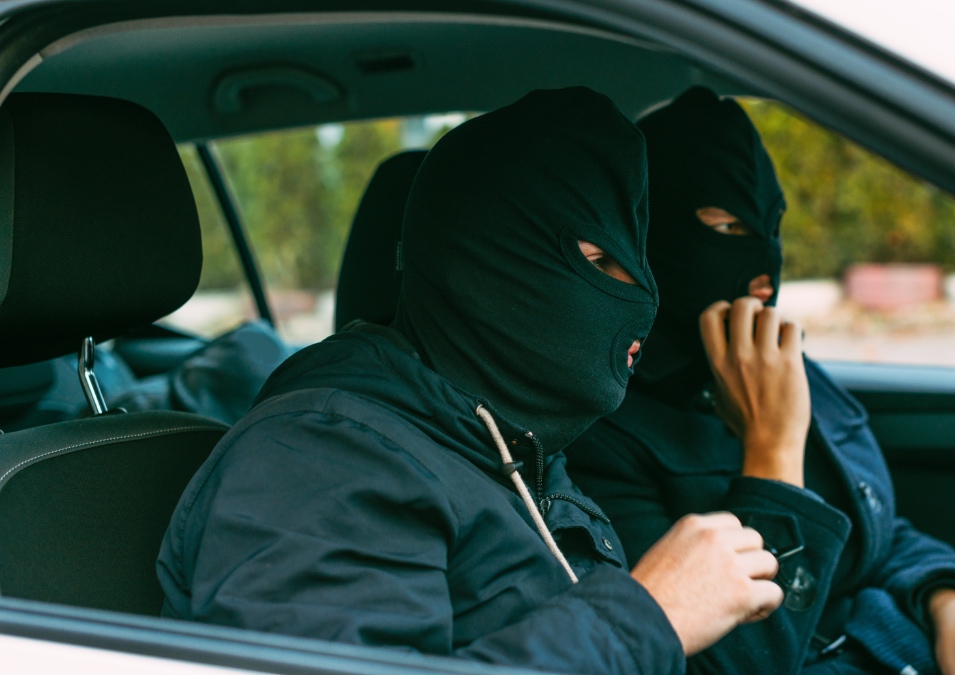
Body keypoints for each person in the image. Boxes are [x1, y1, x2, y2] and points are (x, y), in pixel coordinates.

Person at [157, 87, 785, 674]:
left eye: (634, 263)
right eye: (596, 261)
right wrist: (650, 617)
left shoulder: (511, 445)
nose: (639, 297)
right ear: (489, 259)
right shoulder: (318, 459)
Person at [564, 87, 955, 675]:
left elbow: (871, 533)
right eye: (726, 227)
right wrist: (772, 452)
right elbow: (729, 658)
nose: (765, 265)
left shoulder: (780, 362)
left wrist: (949, 602)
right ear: (650, 232)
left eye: (772, 226)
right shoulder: (600, 430)